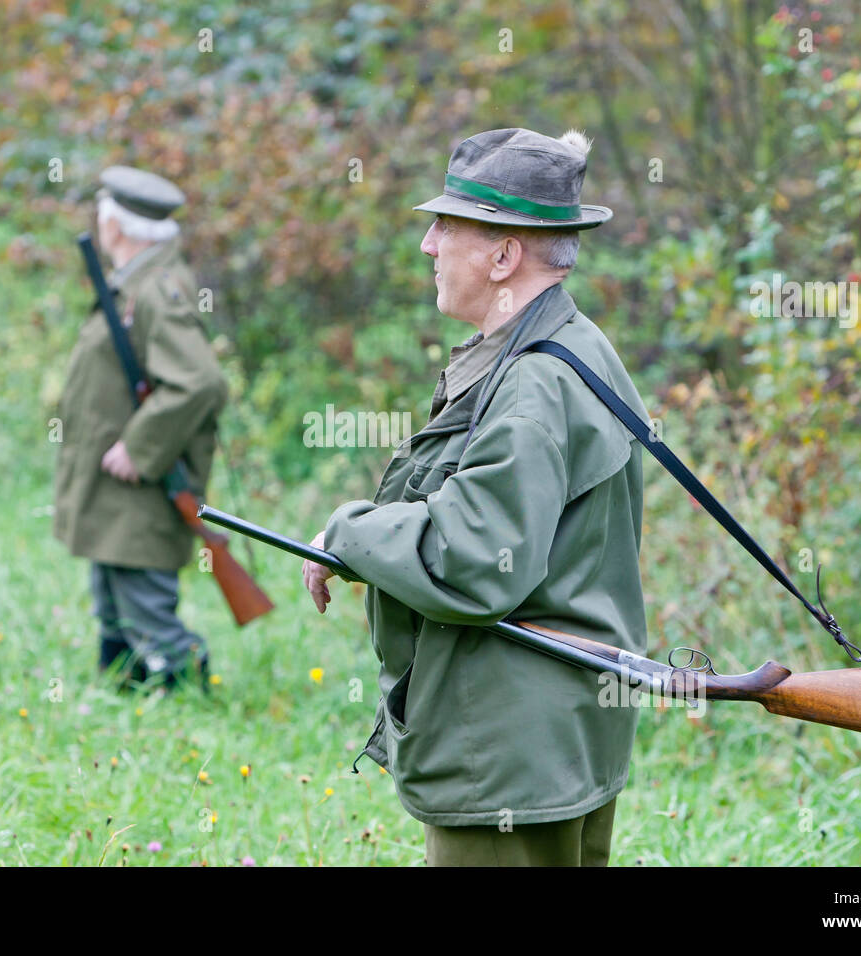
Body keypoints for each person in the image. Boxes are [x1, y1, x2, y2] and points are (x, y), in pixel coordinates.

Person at [302, 127, 651, 866]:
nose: (428, 245)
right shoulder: (576, 344)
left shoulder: (532, 385)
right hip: (557, 741)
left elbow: (475, 560)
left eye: (446, 227)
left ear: (503, 256)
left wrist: (349, 533)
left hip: (511, 755)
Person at [54, 166, 229, 690]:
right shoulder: (136, 282)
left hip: (147, 476)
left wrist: (140, 445)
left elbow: (200, 381)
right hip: (119, 479)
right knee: (113, 586)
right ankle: (124, 688)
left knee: (144, 595)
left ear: (116, 227)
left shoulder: (156, 290)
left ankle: (185, 688)